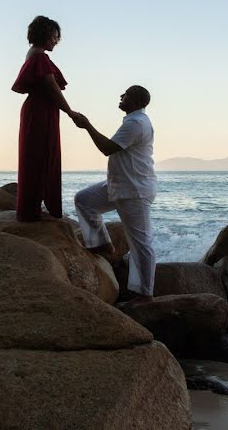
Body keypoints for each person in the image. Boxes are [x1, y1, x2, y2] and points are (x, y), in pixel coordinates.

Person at [71, 86, 157, 304]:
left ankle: (145, 294)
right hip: (120, 185)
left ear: (136, 100)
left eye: (126, 94)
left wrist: (87, 126)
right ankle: (101, 243)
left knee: (141, 243)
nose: (121, 96)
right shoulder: (133, 121)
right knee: (84, 200)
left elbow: (108, 148)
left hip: (134, 190)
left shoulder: (136, 123)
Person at [11, 15, 79, 222]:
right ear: (45, 34)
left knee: (36, 156)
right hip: (41, 110)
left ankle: (32, 206)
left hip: (39, 109)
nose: (56, 40)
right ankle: (33, 210)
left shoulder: (33, 54)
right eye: (54, 35)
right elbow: (52, 87)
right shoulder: (39, 57)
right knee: (41, 155)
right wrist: (70, 112)